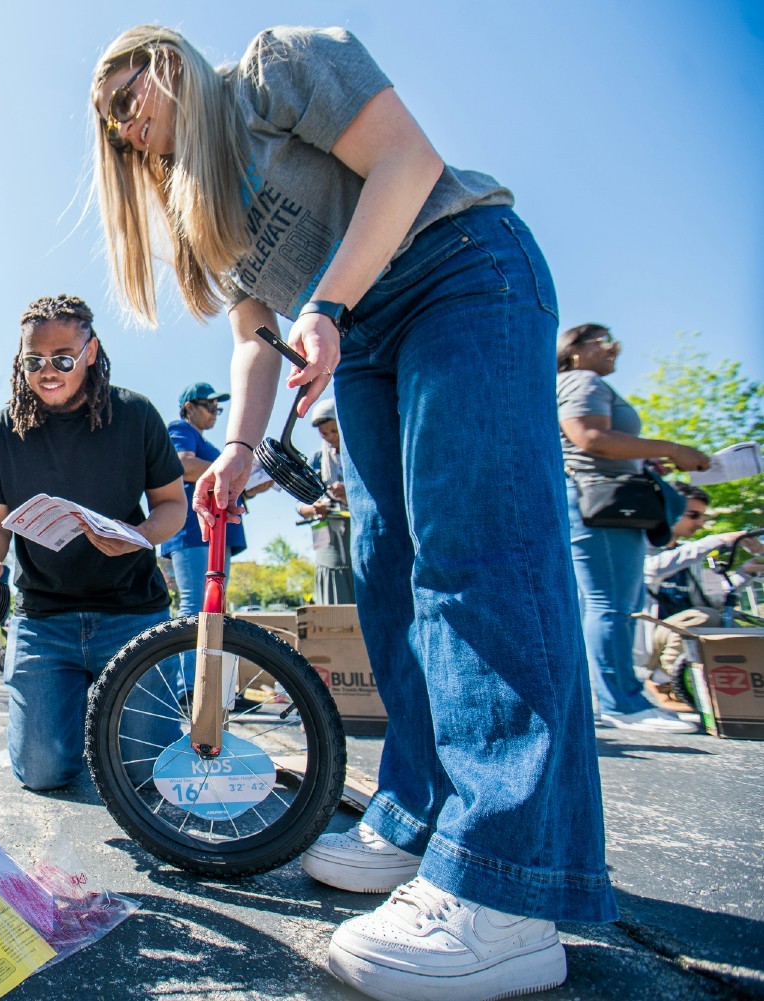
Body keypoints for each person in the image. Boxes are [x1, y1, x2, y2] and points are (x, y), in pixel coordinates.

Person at [91, 25, 617, 999]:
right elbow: (256, 340)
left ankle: (506, 889)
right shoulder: (192, 202)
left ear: (172, 68)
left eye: (132, 98)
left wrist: (326, 303)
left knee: (477, 556)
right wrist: (239, 452)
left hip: (458, 269)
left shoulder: (275, 70)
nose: (128, 129)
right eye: (113, 123)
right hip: (365, 333)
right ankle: (419, 815)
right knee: (387, 576)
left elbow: (406, 163)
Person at [0, 294, 186, 791]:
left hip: (133, 614)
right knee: (41, 773)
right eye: (33, 361)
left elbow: (173, 505)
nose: (47, 371)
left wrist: (138, 537)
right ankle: (64, 726)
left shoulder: (136, 415)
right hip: (45, 621)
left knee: (147, 776)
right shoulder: (2, 431)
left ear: (91, 351)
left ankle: (102, 732)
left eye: (62, 359)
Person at [556, 322, 710, 733]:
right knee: (611, 604)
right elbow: (590, 437)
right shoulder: (583, 380)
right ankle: (622, 703)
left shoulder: (579, 381)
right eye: (603, 340)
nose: (615, 347)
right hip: (601, 504)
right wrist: (672, 449)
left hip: (596, 500)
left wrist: (643, 460)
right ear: (574, 351)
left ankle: (601, 699)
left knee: (597, 604)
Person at [161, 381, 270, 683]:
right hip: (194, 531)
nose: (214, 412)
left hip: (217, 531)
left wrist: (249, 484)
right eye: (208, 406)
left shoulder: (208, 445)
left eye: (217, 408)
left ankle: (208, 684)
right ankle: (186, 684)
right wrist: (233, 467)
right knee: (196, 604)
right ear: (188, 408)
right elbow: (183, 465)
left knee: (215, 607)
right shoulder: (180, 430)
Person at [641, 482, 763, 710]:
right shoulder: (640, 546)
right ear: (669, 509)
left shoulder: (694, 554)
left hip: (682, 630)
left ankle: (746, 697)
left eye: (702, 517)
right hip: (649, 636)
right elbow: (651, 570)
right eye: (693, 515)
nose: (699, 523)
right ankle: (663, 683)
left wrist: (746, 572)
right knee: (701, 618)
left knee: (741, 631)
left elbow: (716, 599)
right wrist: (719, 539)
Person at [296, 398, 354, 604]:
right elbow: (299, 503)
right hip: (325, 531)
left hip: (354, 528)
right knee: (331, 573)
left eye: (334, 431)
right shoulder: (317, 460)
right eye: (324, 433)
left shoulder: (358, 455)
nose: (330, 437)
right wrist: (312, 508)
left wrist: (351, 495)